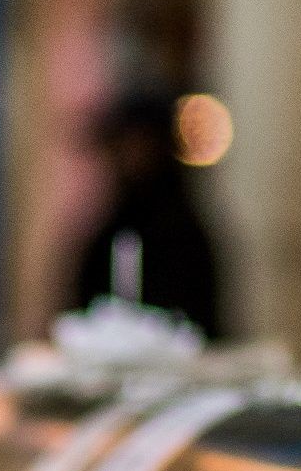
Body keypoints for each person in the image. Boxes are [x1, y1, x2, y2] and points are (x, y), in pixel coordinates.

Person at [68, 88, 228, 336]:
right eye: (126, 145)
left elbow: (206, 323)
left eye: (145, 144)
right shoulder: (106, 232)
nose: (135, 157)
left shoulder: (186, 235)